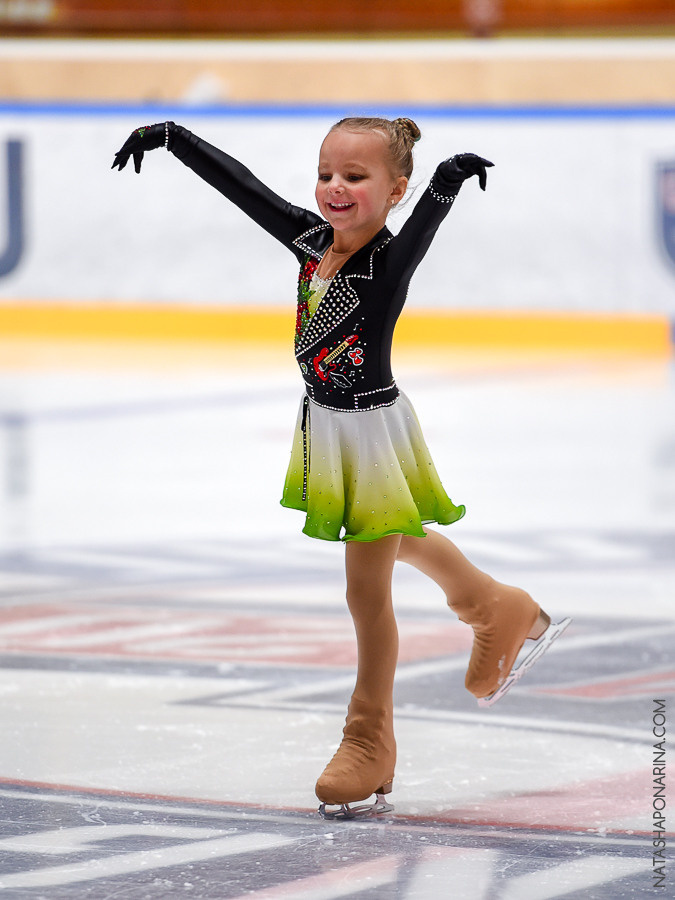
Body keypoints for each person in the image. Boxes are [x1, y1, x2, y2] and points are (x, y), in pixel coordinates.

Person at [112, 117, 570, 819]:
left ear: (393, 191)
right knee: (391, 536)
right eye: (326, 174)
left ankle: (369, 739)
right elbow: (245, 191)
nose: (334, 188)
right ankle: (495, 607)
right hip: (325, 422)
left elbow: (421, 232)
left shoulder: (385, 262)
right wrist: (174, 138)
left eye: (354, 178)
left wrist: (445, 185)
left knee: (366, 591)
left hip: (368, 427)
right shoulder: (309, 241)